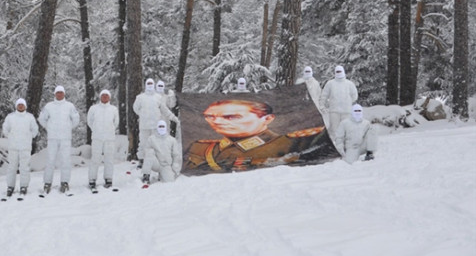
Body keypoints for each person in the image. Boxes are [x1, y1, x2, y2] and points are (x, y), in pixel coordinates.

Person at [184, 99, 328, 172]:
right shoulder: (199, 147)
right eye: (210, 116)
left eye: (231, 117)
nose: (217, 122)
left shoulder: (296, 143)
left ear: (267, 119)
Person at [38, 85, 80, 193]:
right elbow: (41, 118)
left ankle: (64, 182)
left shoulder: (69, 106)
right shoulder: (49, 106)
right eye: (58, 92)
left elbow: (76, 119)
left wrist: (68, 127)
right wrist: (48, 127)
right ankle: (47, 183)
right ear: (55, 94)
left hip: (65, 138)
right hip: (52, 138)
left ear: (64, 94)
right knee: (50, 160)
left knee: (66, 160)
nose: (59, 94)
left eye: (61, 92)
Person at [133, 78, 178, 166]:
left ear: (153, 85)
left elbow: (164, 110)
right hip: (144, 126)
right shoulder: (140, 97)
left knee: (157, 143)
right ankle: (142, 160)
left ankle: (158, 160)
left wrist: (174, 118)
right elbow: (135, 108)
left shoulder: (158, 97)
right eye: (148, 84)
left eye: (151, 84)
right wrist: (143, 115)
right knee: (143, 143)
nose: (150, 85)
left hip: (155, 125)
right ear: (146, 85)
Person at [2, 98, 39, 198]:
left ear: (25, 106)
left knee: (24, 168)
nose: (21, 106)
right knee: (11, 168)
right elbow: (5, 129)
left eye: (22, 104)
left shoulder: (30, 117)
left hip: (25, 147)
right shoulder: (10, 117)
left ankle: (23, 186)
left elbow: (35, 130)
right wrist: (11, 136)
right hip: (13, 147)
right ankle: (10, 186)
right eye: (19, 104)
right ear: (16, 106)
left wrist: (28, 136)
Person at [86, 89, 119, 189]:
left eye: (106, 95)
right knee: (95, 159)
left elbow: (116, 122)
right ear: (100, 97)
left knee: (109, 159)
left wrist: (110, 130)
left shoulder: (113, 109)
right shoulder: (94, 108)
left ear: (109, 97)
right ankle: (92, 179)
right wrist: (96, 130)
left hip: (109, 138)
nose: (105, 97)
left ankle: (108, 178)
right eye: (103, 95)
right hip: (97, 138)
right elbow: (89, 121)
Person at [320, 65, 358, 135]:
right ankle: (335, 144)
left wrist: (348, 102)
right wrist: (322, 105)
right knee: (334, 130)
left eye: (340, 71)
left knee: (346, 130)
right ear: (335, 72)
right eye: (337, 71)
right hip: (334, 111)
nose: (339, 73)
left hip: (346, 111)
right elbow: (324, 95)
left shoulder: (349, 84)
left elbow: (355, 95)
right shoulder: (330, 84)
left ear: (343, 71)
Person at [141, 120, 182, 185]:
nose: (161, 128)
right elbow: (146, 151)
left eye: (163, 126)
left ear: (165, 127)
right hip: (156, 163)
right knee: (149, 152)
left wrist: (175, 168)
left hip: (166, 165)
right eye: (160, 126)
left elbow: (176, 155)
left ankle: (162, 175)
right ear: (157, 127)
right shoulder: (151, 139)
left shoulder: (172, 140)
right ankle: (146, 176)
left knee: (170, 182)